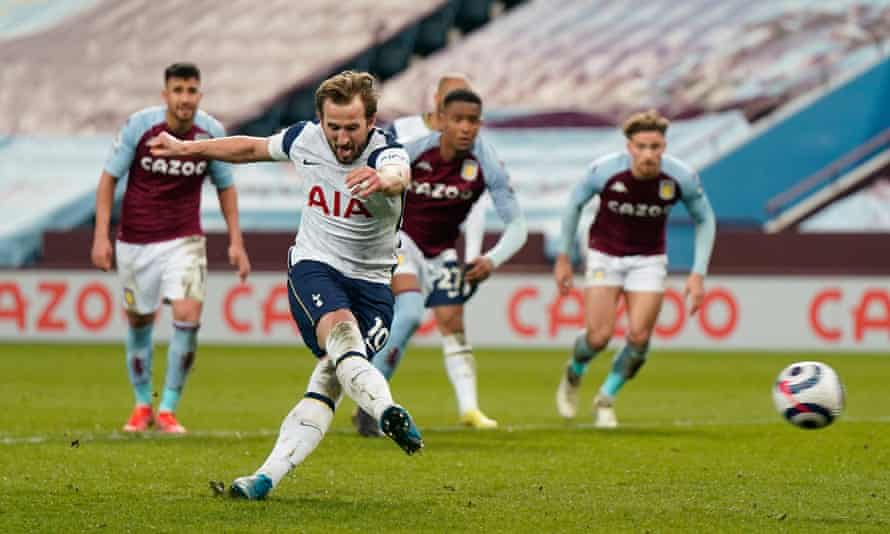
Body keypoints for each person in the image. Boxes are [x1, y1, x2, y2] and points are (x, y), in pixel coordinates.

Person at [148, 70, 423, 500]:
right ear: (321, 120)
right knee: (342, 334)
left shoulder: (387, 152)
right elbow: (249, 147)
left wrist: (382, 180)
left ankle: (264, 478)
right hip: (316, 266)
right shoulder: (306, 139)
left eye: (352, 127)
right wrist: (188, 147)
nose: (342, 138)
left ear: (371, 122)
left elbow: (398, 176)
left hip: (373, 288)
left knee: (331, 377)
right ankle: (388, 411)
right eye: (333, 126)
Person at [352, 88, 527, 436]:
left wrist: (491, 260)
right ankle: (370, 404)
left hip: (441, 252)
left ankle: (469, 408)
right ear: (441, 119)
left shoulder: (486, 162)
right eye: (458, 119)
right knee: (412, 312)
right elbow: (372, 186)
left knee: (452, 320)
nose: (465, 128)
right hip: (401, 241)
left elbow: (518, 226)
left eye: (473, 121)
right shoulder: (414, 152)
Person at [91, 62, 251, 435]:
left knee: (188, 315)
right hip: (136, 240)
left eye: (191, 91)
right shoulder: (139, 127)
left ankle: (168, 409)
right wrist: (101, 235)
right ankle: (142, 403)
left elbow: (225, 187)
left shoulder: (209, 132)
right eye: (177, 91)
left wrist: (236, 242)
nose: (184, 98)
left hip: (185, 239)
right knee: (140, 321)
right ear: (165, 95)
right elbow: (108, 179)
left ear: (200, 94)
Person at [554, 109, 716, 428]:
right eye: (641, 146)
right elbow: (573, 204)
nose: (648, 154)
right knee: (598, 337)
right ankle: (575, 370)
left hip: (649, 259)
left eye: (655, 147)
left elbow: (705, 219)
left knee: (639, 337)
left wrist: (698, 274)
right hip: (604, 254)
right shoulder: (604, 171)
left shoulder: (679, 177)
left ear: (664, 147)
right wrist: (563, 256)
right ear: (629, 146)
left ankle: (606, 398)